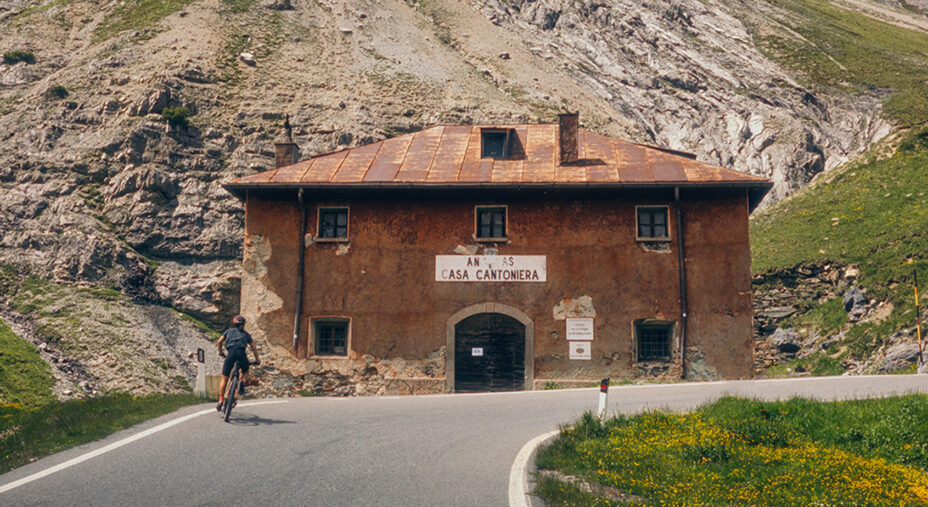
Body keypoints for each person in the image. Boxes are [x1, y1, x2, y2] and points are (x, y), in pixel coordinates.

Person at [217, 315, 260, 410]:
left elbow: (219, 341)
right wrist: (257, 360)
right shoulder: (246, 334)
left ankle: (220, 400)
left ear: (234, 323)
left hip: (231, 354)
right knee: (245, 371)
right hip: (241, 354)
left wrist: (221, 352)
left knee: (224, 378)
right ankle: (243, 381)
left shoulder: (228, 331)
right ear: (243, 325)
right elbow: (253, 347)